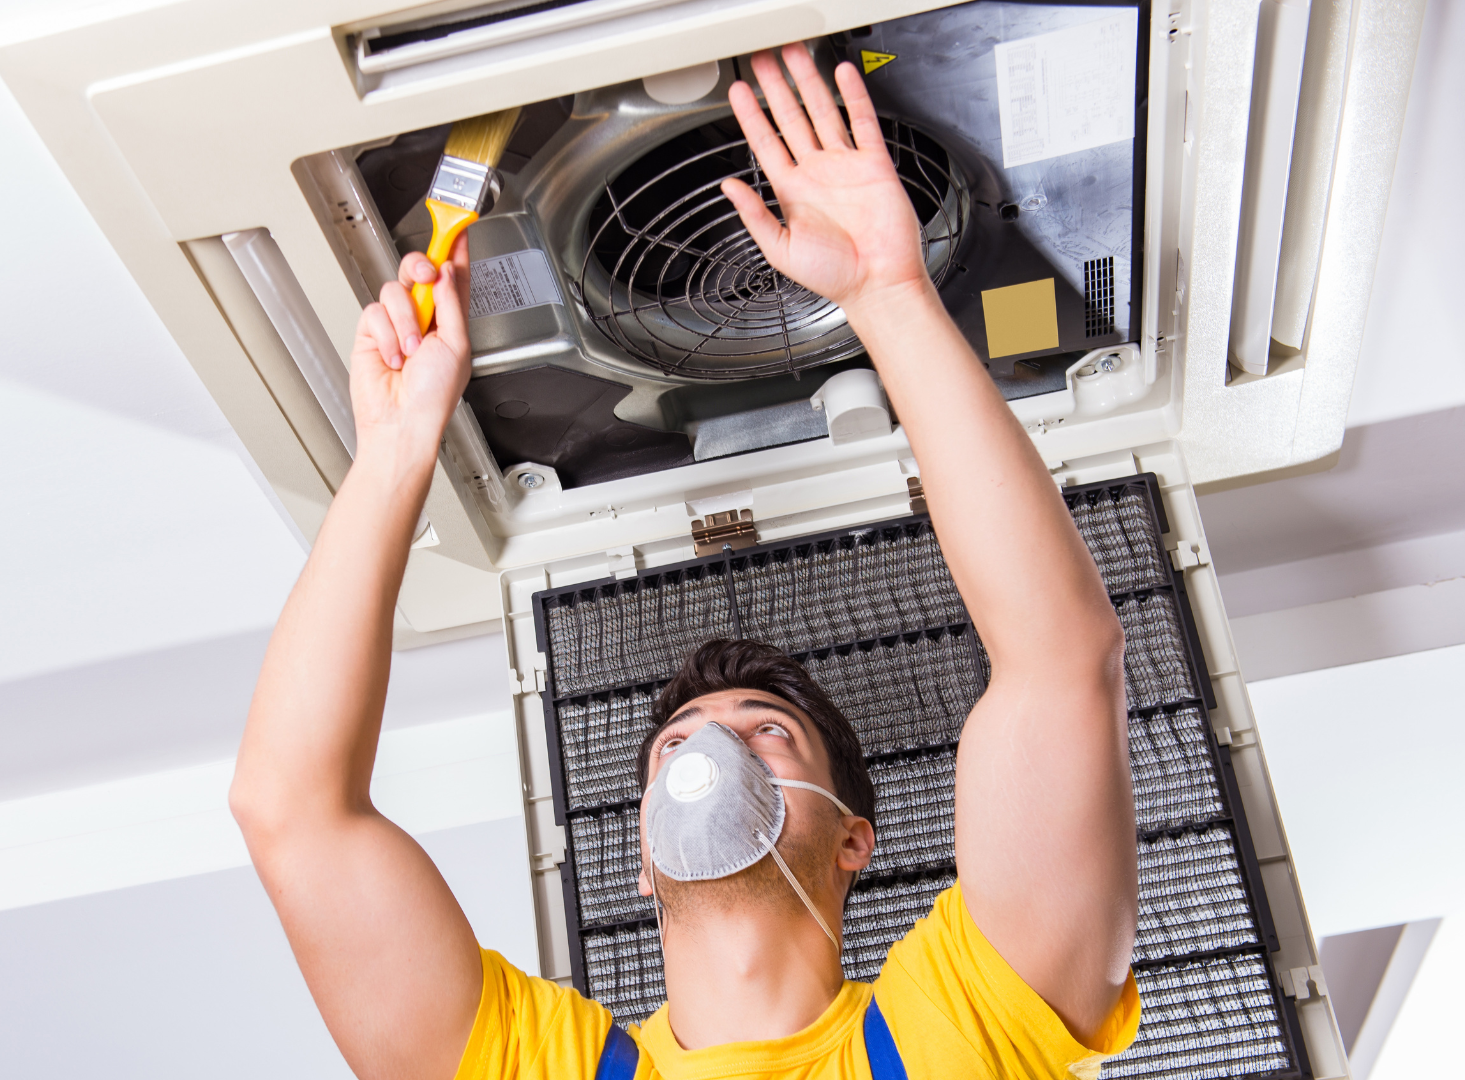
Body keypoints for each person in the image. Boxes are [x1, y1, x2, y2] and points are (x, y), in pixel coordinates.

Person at [230, 45, 1140, 1080]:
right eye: (691, 739)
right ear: (643, 863)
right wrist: (393, 454)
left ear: (855, 842)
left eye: (766, 731)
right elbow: (293, 812)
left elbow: (1063, 665)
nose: (721, 753)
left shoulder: (963, 1031)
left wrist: (891, 296)